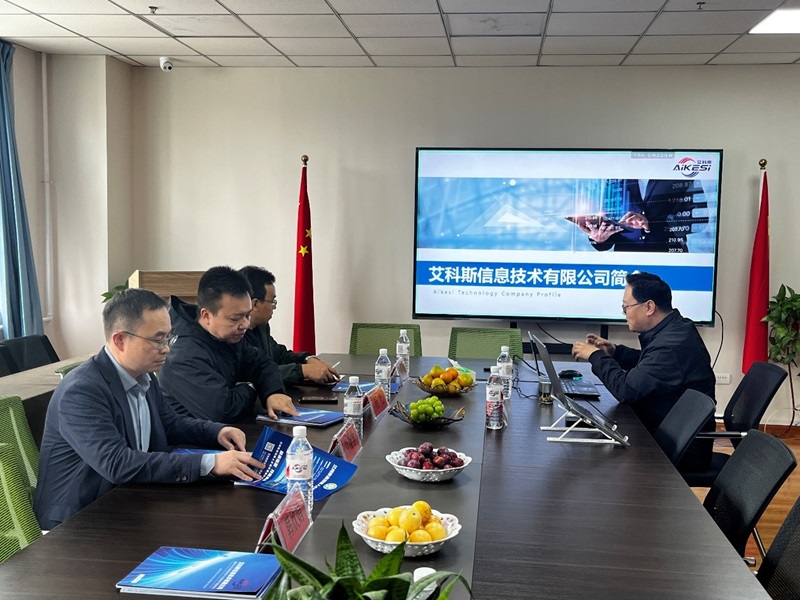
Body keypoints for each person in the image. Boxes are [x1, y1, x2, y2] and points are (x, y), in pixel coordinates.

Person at [33, 288, 266, 530]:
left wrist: (217, 432)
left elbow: (170, 424)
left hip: (128, 499)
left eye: (168, 338)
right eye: (157, 340)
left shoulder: (143, 375)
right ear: (120, 340)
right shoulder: (82, 391)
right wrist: (210, 463)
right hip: (77, 521)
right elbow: (117, 463)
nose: (166, 349)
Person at [571, 272, 715, 471]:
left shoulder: (671, 344)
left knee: (591, 458)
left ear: (649, 307)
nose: (624, 313)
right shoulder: (674, 330)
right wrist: (615, 352)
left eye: (626, 307)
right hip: (665, 431)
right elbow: (649, 364)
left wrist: (595, 356)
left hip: (677, 449)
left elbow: (625, 390)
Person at [159, 266, 298, 423]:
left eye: (247, 315)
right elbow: (222, 410)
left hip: (230, 431)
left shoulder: (226, 336)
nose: (245, 325)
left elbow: (261, 362)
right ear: (206, 315)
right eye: (235, 318)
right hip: (192, 437)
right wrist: (252, 386)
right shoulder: (183, 355)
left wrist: (273, 392)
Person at [239, 266, 339, 386]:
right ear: (255, 304)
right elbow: (253, 374)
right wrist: (302, 371)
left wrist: (308, 359)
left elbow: (280, 356)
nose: (274, 307)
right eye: (272, 302)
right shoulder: (234, 334)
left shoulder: (261, 327)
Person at [570, 179, 707, 253]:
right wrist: (599, 239)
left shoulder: (681, 176)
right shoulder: (614, 180)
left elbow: (699, 219)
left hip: (668, 258)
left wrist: (651, 224)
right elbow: (610, 224)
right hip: (627, 262)